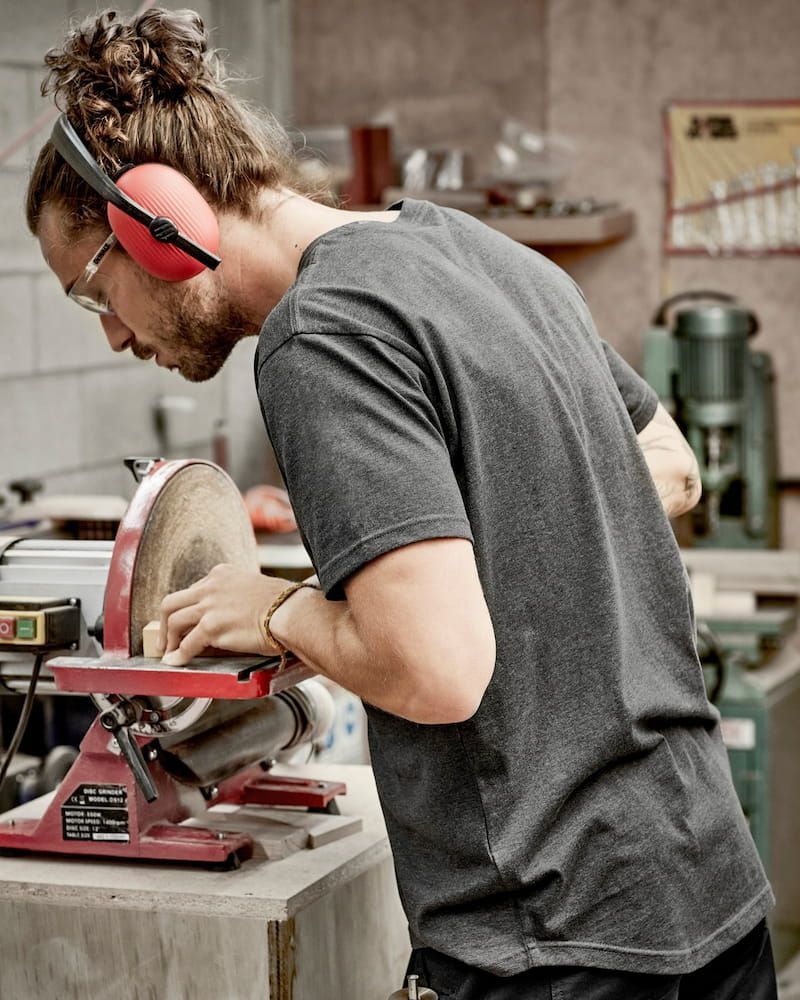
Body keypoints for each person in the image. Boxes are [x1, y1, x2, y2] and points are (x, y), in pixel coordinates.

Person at [26, 9, 776, 999]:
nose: (114, 337)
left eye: (90, 290)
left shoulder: (319, 331)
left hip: (556, 939)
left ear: (154, 226)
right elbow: (666, 464)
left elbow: (436, 670)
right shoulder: (480, 254)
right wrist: (457, 547)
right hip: (707, 894)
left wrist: (284, 610)